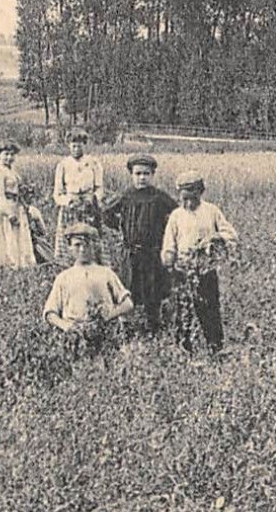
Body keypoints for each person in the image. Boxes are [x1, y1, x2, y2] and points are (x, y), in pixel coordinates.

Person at [161, 169, 238, 352]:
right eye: (184, 199)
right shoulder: (176, 216)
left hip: (205, 269)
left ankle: (215, 347)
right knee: (183, 310)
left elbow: (231, 234)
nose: (188, 203)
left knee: (210, 308)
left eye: (191, 198)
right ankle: (183, 347)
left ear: (200, 192)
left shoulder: (211, 211)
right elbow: (169, 243)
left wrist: (214, 239)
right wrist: (169, 260)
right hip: (183, 269)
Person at [102, 154, 177, 333]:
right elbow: (106, 213)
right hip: (132, 253)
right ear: (131, 175)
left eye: (146, 173)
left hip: (153, 253)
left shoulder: (159, 197)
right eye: (138, 174)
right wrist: (121, 227)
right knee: (128, 288)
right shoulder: (126, 195)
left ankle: (154, 324)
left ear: (152, 175)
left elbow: (176, 215)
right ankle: (127, 325)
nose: (142, 177)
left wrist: (166, 231)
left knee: (153, 289)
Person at [43, 224, 134, 354]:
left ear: (95, 246)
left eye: (87, 245)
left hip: (105, 333)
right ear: (69, 248)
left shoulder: (106, 273)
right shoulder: (63, 278)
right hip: (75, 335)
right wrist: (66, 326)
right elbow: (50, 312)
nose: (82, 249)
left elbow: (128, 304)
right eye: (77, 245)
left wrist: (107, 316)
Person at [52, 128, 104, 257]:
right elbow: (57, 193)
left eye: (79, 146)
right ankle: (66, 263)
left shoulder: (93, 163)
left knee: (89, 238)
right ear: (69, 145)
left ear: (84, 145)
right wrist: (68, 201)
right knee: (69, 239)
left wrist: (93, 199)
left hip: (89, 207)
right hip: (70, 208)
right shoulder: (63, 165)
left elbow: (100, 187)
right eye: (73, 145)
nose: (76, 149)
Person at [0, 139, 38, 270]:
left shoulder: (13, 172)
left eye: (11, 155)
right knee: (7, 238)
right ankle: (8, 268)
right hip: (6, 208)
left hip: (17, 206)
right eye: (6, 154)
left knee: (18, 238)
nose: (9, 158)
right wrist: (9, 213)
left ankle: (21, 267)